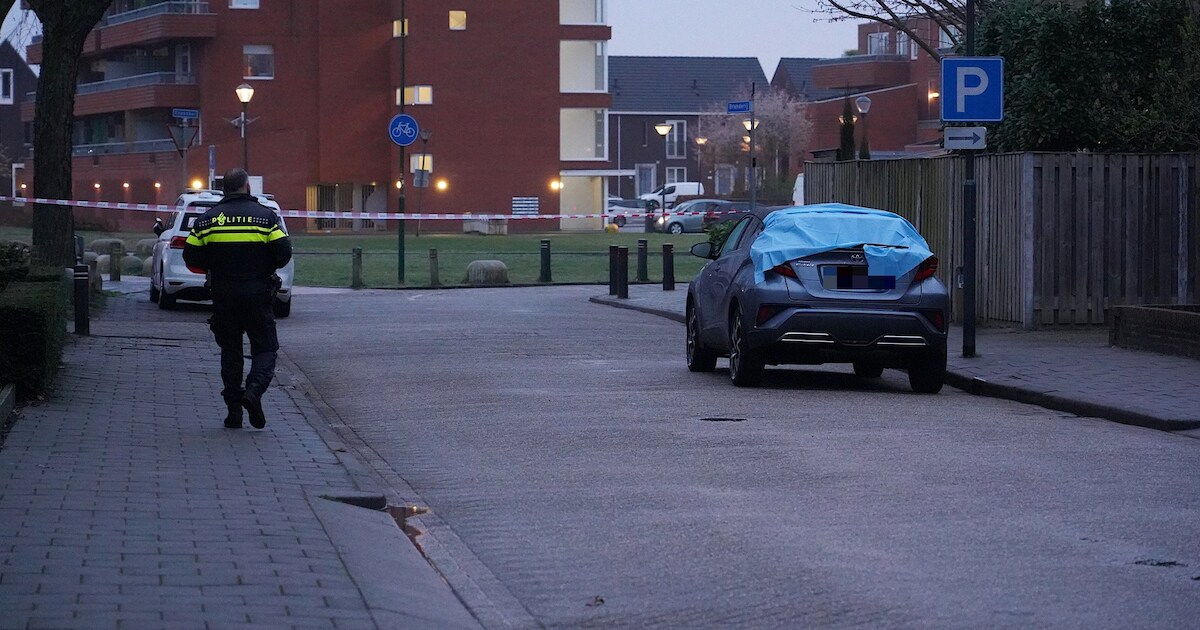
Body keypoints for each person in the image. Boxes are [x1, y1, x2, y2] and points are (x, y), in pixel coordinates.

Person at [183, 168, 292, 429]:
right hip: (258, 294)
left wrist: (213, 267)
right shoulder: (266, 218)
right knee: (265, 348)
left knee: (230, 350)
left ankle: (234, 413)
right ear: (247, 187)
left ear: (224, 189)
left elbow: (191, 256)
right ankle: (253, 392)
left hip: (223, 295)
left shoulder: (207, 220)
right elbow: (284, 253)